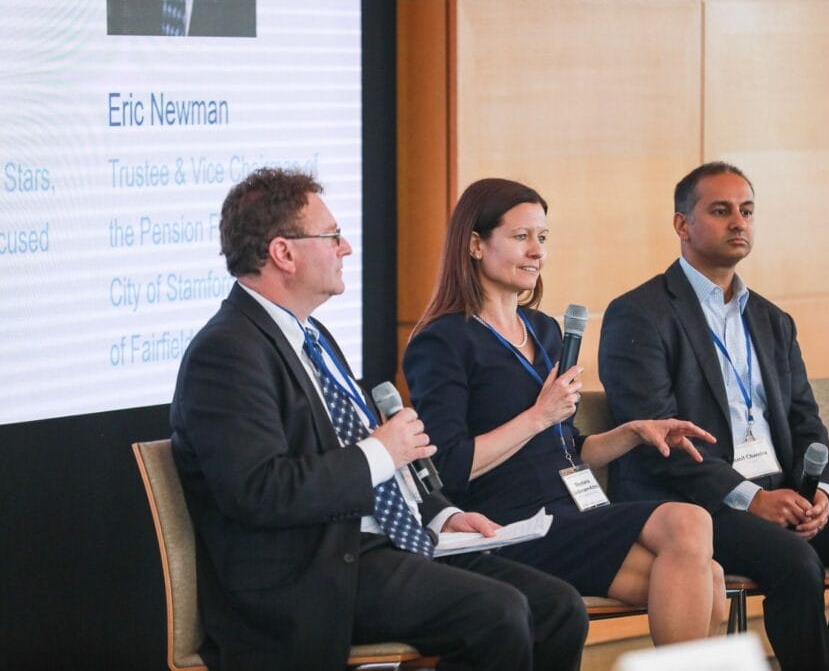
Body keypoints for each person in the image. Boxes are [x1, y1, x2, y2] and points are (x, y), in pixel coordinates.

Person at [170, 168, 589, 671]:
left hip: (381, 546)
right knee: (497, 614)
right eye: (331, 236)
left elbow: (381, 459)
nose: (346, 247)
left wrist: (441, 514)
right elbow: (260, 490)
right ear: (284, 253)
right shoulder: (228, 352)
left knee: (558, 607)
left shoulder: (314, 337)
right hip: (311, 573)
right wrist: (381, 451)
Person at [598, 161, 829, 670]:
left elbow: (805, 421)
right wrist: (751, 499)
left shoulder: (772, 320)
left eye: (747, 211)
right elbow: (659, 440)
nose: (739, 222)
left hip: (782, 494)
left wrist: (823, 492)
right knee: (795, 563)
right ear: (682, 225)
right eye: (721, 210)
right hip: (695, 505)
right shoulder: (639, 313)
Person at [403, 177, 727, 645]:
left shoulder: (543, 330)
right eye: (521, 237)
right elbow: (448, 468)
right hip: (506, 523)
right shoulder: (443, 340)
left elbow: (566, 448)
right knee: (690, 521)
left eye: (543, 238)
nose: (537, 251)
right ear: (475, 245)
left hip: (569, 511)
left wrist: (633, 432)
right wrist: (537, 415)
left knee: (710, 582)